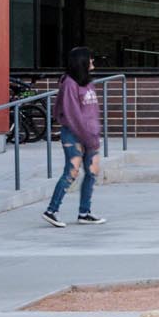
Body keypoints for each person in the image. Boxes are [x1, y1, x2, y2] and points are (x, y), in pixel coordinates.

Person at [42, 46, 106, 227]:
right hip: (75, 135)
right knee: (71, 172)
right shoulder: (70, 83)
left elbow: (91, 112)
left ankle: (84, 212)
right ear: (82, 62)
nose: (93, 62)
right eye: (90, 59)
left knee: (92, 173)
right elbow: (72, 114)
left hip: (90, 136)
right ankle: (51, 210)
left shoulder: (87, 82)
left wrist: (94, 134)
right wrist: (86, 136)